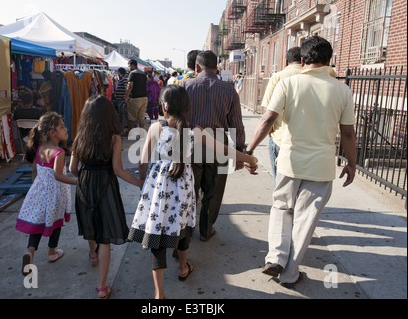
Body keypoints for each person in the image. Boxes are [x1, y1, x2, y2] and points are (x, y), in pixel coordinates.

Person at [245, 36, 357, 288]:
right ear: (329, 61)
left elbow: (267, 120)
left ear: (303, 60)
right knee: (305, 220)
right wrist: (352, 163)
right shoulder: (342, 90)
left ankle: (275, 256)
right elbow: (348, 132)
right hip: (322, 167)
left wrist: (249, 151)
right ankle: (289, 274)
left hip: (290, 161)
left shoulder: (288, 83)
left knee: (281, 208)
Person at [128, 85, 257, 299]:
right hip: (183, 187)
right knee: (183, 223)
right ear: (188, 108)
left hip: (159, 187)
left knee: (157, 234)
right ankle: (182, 267)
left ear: (163, 107)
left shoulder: (155, 128)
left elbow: (142, 163)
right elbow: (224, 150)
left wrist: (143, 181)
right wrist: (249, 158)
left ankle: (159, 293)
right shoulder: (195, 131)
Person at [69, 95, 142, 299]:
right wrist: (140, 183)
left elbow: (72, 168)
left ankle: (92, 254)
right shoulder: (114, 139)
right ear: (109, 115)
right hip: (105, 188)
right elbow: (118, 170)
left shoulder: (79, 137)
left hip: (84, 184)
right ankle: (101, 287)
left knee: (89, 224)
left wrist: (84, 178)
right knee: (105, 237)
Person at [180, 50, 246, 242]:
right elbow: (236, 124)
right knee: (214, 189)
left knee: (188, 189)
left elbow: (176, 120)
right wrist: (240, 151)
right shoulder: (228, 90)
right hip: (218, 143)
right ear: (216, 67)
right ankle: (206, 229)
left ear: (196, 67)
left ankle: (184, 232)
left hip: (190, 141)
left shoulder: (185, 86)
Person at [15, 112, 76, 276]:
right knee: (55, 223)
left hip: (39, 190)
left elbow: (35, 170)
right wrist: (78, 182)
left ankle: (30, 252)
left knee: (37, 223)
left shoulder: (40, 147)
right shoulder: (59, 152)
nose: (66, 129)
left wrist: (35, 187)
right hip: (55, 193)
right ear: (52, 132)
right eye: (62, 127)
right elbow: (58, 175)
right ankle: (51, 252)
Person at [260, 47, 303, 186]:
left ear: (286, 61)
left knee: (279, 182)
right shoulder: (312, 77)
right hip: (305, 140)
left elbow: (267, 111)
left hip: (280, 138)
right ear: (303, 59)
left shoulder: (278, 77)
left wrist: (269, 131)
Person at [125, 59, 148, 137]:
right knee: (141, 117)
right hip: (144, 97)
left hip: (135, 98)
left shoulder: (132, 73)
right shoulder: (143, 73)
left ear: (132, 65)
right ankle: (142, 135)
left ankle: (129, 133)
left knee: (132, 117)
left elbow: (130, 86)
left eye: (129, 66)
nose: (129, 68)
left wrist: (126, 97)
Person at [114, 67, 129, 131]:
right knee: (121, 113)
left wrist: (125, 96)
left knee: (122, 113)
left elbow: (126, 87)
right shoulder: (122, 79)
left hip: (121, 99)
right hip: (119, 99)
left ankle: (123, 127)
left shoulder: (124, 79)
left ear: (120, 72)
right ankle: (122, 127)